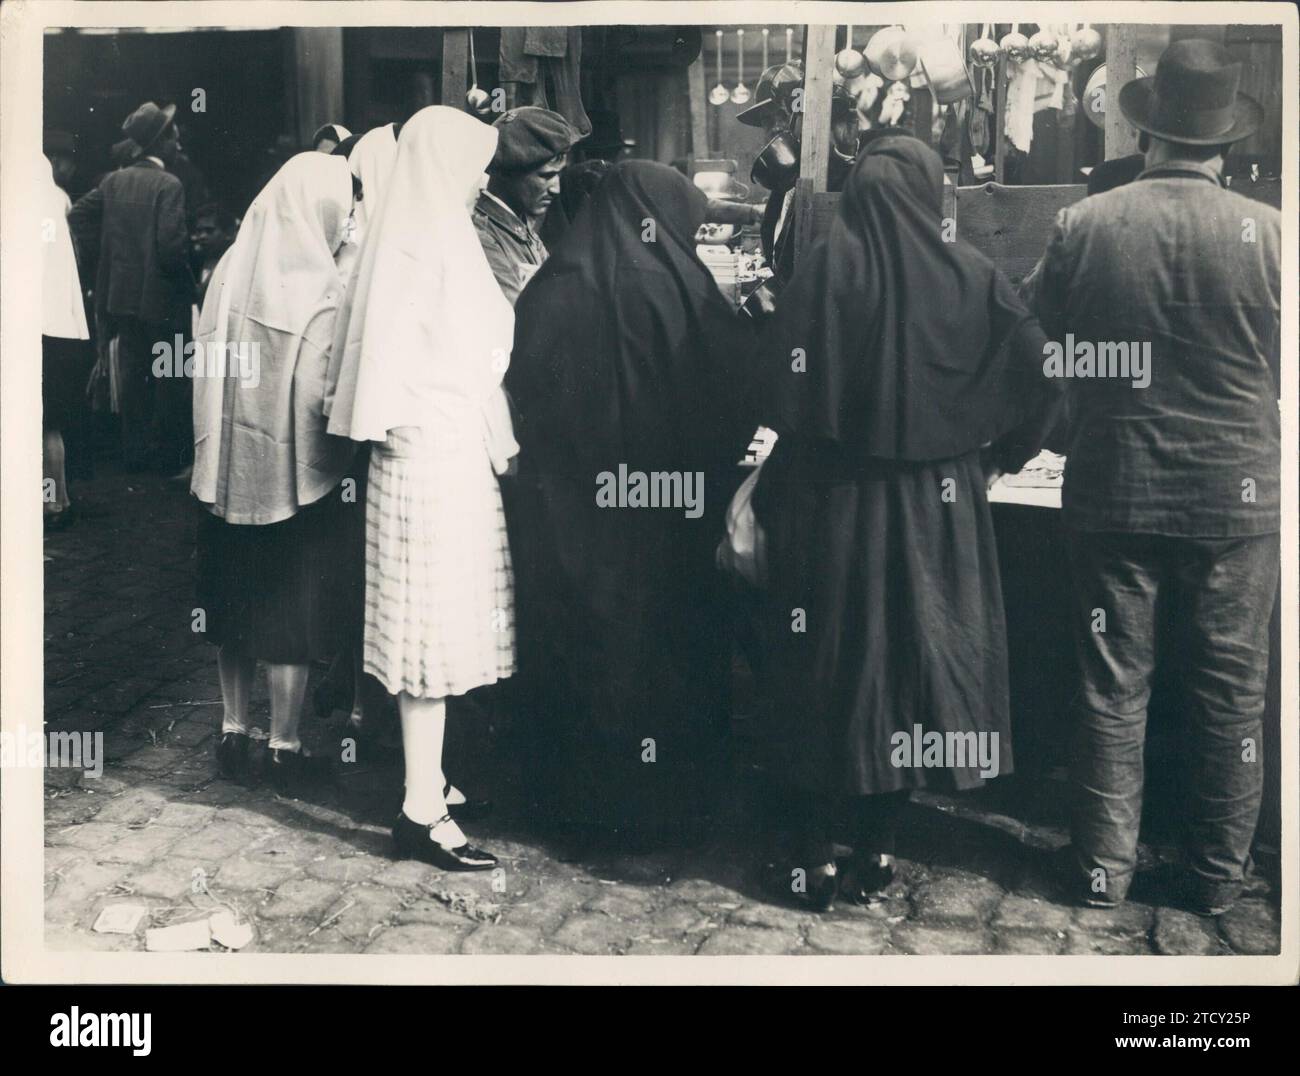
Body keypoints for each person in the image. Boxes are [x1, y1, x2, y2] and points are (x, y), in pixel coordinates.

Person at [753, 136, 1060, 910]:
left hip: (834, 502)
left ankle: (816, 855)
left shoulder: (824, 269)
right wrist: (1000, 457)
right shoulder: (971, 275)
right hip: (939, 509)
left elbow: (783, 394)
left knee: (830, 662)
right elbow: (1047, 375)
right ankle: (881, 849)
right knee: (918, 669)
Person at [1032, 40, 1280, 916]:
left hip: (1114, 491)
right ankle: (1216, 879)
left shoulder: (1086, 223)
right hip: (1237, 497)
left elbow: (1040, 347)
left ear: (1147, 133)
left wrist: (1080, 415)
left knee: (1111, 688)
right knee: (1232, 696)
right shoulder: (1274, 235)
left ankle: (1104, 872)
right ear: (1223, 145)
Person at [505, 160, 758, 850]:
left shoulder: (553, 286)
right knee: (660, 646)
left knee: (578, 642)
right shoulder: (681, 290)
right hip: (661, 510)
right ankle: (663, 804)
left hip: (569, 508)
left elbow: (519, 387)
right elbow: (734, 391)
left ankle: (574, 804)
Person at [325, 106, 517, 871]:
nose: (480, 182)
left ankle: (427, 781)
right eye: (474, 167)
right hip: (434, 460)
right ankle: (420, 812)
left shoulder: (407, 239)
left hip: (423, 455)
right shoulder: (433, 245)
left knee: (426, 633)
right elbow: (478, 351)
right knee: (430, 637)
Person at [191, 152, 361, 795]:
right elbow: (325, 392)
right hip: (289, 477)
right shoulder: (319, 279)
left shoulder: (233, 264)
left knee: (230, 600)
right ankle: (286, 744)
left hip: (225, 468)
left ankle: (234, 730)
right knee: (291, 608)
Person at [69, 102, 194, 472]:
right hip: (164, 299)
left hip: (121, 297)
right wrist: (189, 284)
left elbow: (75, 215)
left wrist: (106, 255)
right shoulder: (169, 185)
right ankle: (170, 456)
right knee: (171, 374)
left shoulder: (113, 181)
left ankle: (135, 454)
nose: (178, 144)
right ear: (161, 143)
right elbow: (172, 249)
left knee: (134, 375)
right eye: (174, 137)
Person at [473, 106, 577, 306]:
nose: (556, 188)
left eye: (559, 174)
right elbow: (519, 318)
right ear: (510, 173)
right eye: (546, 176)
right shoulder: (483, 236)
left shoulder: (523, 229)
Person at [41, 154, 92, 530]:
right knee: (49, 421)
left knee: (39, 421)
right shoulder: (54, 199)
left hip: (35, 323)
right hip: (59, 323)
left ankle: (50, 502)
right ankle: (55, 500)